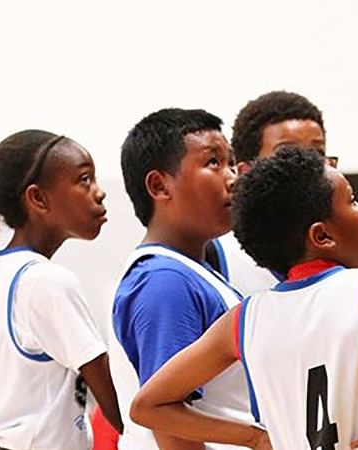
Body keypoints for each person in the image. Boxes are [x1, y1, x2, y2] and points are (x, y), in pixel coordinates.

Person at [129, 147, 358, 449]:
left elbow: (147, 406)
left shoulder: (243, 319)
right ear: (322, 235)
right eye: (352, 200)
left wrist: (254, 437)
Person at [110, 108, 268, 450]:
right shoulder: (164, 281)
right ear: (159, 186)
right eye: (213, 162)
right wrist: (256, 438)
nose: (232, 178)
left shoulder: (195, 271)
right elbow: (167, 420)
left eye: (230, 163)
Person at [0, 130, 123, 449]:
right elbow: (114, 402)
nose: (100, 192)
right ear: (38, 198)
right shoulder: (45, 281)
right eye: (84, 179)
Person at [206, 90, 332, 295]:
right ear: (245, 172)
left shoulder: (342, 245)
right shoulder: (216, 254)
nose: (308, 166)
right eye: (288, 154)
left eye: (318, 154)